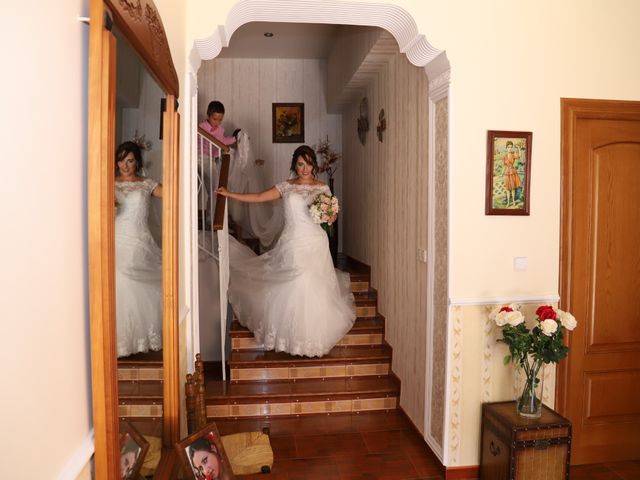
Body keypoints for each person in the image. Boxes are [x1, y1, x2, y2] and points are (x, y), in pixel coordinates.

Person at [217, 145, 356, 357]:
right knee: (297, 281)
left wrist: (329, 216)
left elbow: (331, 217)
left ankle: (310, 338)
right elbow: (259, 196)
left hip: (316, 242)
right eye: (301, 164)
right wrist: (229, 194)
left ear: (314, 165)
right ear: (295, 165)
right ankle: (291, 337)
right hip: (293, 242)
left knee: (311, 285)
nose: (305, 168)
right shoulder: (286, 187)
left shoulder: (323, 188)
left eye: (309, 163)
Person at [115, 141, 163, 358]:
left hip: (139, 240)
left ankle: (140, 337)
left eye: (130, 160)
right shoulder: (108, 182)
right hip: (115, 239)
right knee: (119, 280)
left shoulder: (146, 184)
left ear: (137, 162)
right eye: (121, 160)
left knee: (136, 280)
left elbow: (172, 194)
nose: (125, 165)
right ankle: (120, 340)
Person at [502, 140, 522, 207]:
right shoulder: (504, 157)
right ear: (506, 148)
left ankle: (513, 201)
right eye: (508, 147)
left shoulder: (513, 155)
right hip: (507, 173)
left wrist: (519, 148)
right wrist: (502, 174)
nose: (510, 148)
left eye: (511, 147)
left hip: (513, 172)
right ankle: (508, 202)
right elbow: (504, 166)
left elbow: (519, 156)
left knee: (513, 188)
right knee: (508, 189)